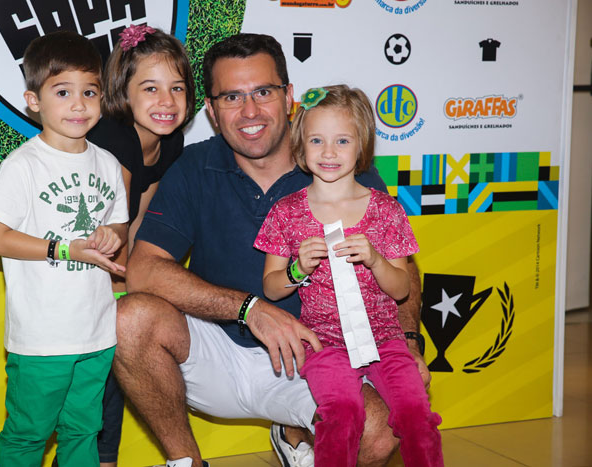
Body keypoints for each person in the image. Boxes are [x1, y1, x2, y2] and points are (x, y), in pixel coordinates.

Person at [114, 33, 429, 467]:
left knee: (379, 433)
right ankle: (185, 462)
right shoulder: (193, 166)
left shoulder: (343, 167)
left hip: (315, 358)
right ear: (210, 109)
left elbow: (402, 269)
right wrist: (250, 308)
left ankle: (295, 428)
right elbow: (143, 270)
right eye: (231, 97)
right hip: (216, 351)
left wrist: (409, 341)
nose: (249, 112)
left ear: (289, 97)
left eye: (263, 92)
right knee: (129, 319)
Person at [254, 85, 443, 467]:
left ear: (362, 146)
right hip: (324, 344)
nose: (328, 152)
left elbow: (403, 287)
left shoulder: (386, 210)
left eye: (342, 140)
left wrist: (375, 260)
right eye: (316, 140)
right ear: (300, 146)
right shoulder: (286, 212)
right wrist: (297, 269)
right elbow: (271, 288)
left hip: (386, 340)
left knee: (416, 416)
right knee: (340, 415)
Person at [0, 31, 129, 467]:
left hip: (98, 333)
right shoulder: (23, 164)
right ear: (34, 100)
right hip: (42, 340)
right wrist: (65, 250)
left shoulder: (105, 162)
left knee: (84, 430)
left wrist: (111, 235)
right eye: (63, 92)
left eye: (90, 92)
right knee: (28, 435)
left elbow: (118, 220)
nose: (79, 104)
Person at [87, 24, 195, 467]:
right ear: (123, 91)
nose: (166, 102)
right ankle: (98, 458)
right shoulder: (115, 140)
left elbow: (140, 226)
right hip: (77, 261)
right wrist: (132, 287)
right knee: (102, 363)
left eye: (177, 88)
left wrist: (143, 285)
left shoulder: (170, 143)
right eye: (150, 88)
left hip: (112, 262)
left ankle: (102, 458)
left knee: (124, 340)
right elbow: (111, 236)